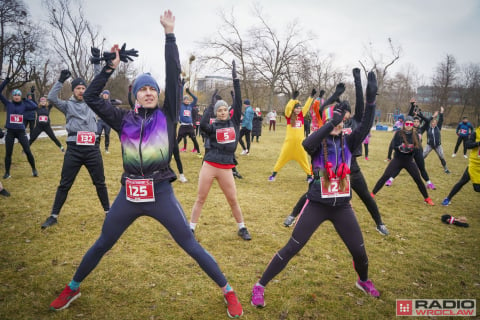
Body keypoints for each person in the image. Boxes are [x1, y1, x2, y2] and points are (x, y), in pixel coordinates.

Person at [48, 11, 243, 319]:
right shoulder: (122, 118)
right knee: (103, 242)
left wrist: (169, 36)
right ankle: (73, 286)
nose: (149, 92)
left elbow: (171, 72)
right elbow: (94, 97)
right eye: (143, 88)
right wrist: (109, 67)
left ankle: (228, 291)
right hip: (130, 193)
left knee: (190, 245)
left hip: (161, 192)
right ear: (135, 95)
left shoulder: (168, 116)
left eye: (153, 88)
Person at [251, 72, 381, 309]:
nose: (339, 125)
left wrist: (371, 101)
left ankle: (363, 281)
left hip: (342, 206)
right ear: (328, 121)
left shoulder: (349, 142)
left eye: (342, 122)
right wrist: (330, 122)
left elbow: (364, 126)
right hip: (317, 205)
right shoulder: (317, 140)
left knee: (359, 252)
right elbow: (306, 144)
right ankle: (260, 285)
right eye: (335, 121)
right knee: (292, 247)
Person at [284, 68, 388, 236]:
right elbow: (322, 111)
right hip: (324, 167)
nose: (343, 118)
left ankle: (379, 223)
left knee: (366, 196)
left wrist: (362, 87)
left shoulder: (353, 125)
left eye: (345, 114)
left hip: (349, 168)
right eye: (340, 113)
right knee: (311, 193)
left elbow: (363, 114)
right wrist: (335, 96)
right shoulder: (329, 125)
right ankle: (293, 214)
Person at [40, 60, 110, 229]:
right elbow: (50, 98)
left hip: (92, 150)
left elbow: (99, 83)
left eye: (83, 88)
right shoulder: (67, 105)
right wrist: (59, 80)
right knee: (65, 183)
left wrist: (96, 65)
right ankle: (53, 215)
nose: (81, 91)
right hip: (74, 150)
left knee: (100, 182)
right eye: (78, 88)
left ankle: (109, 213)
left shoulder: (92, 103)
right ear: (73, 90)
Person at [189, 60, 251, 241]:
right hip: (209, 166)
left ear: (229, 112)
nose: (223, 112)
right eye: (220, 110)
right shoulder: (212, 126)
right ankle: (191, 228)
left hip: (226, 168)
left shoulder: (234, 124)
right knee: (200, 198)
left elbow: (238, 101)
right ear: (217, 113)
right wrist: (211, 104)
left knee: (233, 200)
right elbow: (203, 121)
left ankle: (242, 227)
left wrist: (236, 79)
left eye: (225, 109)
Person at [371, 116, 434, 205]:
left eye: (410, 124)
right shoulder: (398, 133)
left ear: (412, 125)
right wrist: (400, 148)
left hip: (409, 161)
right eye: (407, 123)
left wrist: (411, 149)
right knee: (386, 175)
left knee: (418, 179)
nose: (408, 125)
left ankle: (427, 198)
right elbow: (393, 145)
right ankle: (372, 193)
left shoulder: (415, 135)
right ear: (404, 124)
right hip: (398, 159)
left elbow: (418, 148)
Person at [384, 100, 436, 189]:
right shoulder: (408, 127)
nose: (415, 123)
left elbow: (427, 121)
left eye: (417, 122)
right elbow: (409, 116)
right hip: (407, 150)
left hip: (417, 150)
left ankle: (428, 182)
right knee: (400, 165)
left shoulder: (420, 129)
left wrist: (419, 115)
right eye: (414, 121)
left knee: (421, 167)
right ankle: (390, 179)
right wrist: (412, 105)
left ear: (419, 123)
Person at [268, 89, 314, 182]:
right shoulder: (289, 116)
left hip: (300, 145)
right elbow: (288, 108)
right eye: (296, 108)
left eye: (299, 108)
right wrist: (293, 99)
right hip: (289, 144)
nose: (298, 110)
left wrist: (311, 97)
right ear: (293, 109)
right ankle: (273, 174)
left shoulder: (301, 115)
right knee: (281, 159)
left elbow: (306, 107)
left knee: (304, 160)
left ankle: (309, 176)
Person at [0, 79, 39, 179]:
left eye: (18, 95)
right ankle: (7, 173)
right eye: (15, 95)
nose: (16, 97)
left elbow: (34, 106)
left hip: (21, 132)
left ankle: (34, 169)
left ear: (20, 96)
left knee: (27, 150)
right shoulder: (8, 104)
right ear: (12, 96)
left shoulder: (24, 104)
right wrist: (5, 82)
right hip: (10, 132)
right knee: (8, 153)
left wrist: (27, 100)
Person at [442, 124, 480, 205]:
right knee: (463, 182)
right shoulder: (476, 133)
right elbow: (467, 145)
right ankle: (448, 198)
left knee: (477, 188)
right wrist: (477, 144)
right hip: (474, 165)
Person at [422, 107, 450, 173]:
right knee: (423, 155)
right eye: (432, 123)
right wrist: (433, 116)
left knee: (441, 157)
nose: (433, 124)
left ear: (436, 123)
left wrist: (441, 113)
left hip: (438, 146)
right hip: (430, 145)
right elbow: (427, 120)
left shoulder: (438, 127)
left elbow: (441, 120)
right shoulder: (428, 128)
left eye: (434, 123)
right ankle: (417, 167)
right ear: (431, 123)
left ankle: (446, 169)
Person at [178, 86, 202, 156]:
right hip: (183, 126)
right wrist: (182, 86)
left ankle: (199, 153)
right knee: (177, 141)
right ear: (183, 100)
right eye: (185, 99)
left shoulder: (190, 106)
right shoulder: (180, 105)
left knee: (194, 140)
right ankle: (173, 153)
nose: (187, 101)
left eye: (188, 100)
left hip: (190, 126)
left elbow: (195, 98)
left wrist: (189, 92)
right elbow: (179, 96)